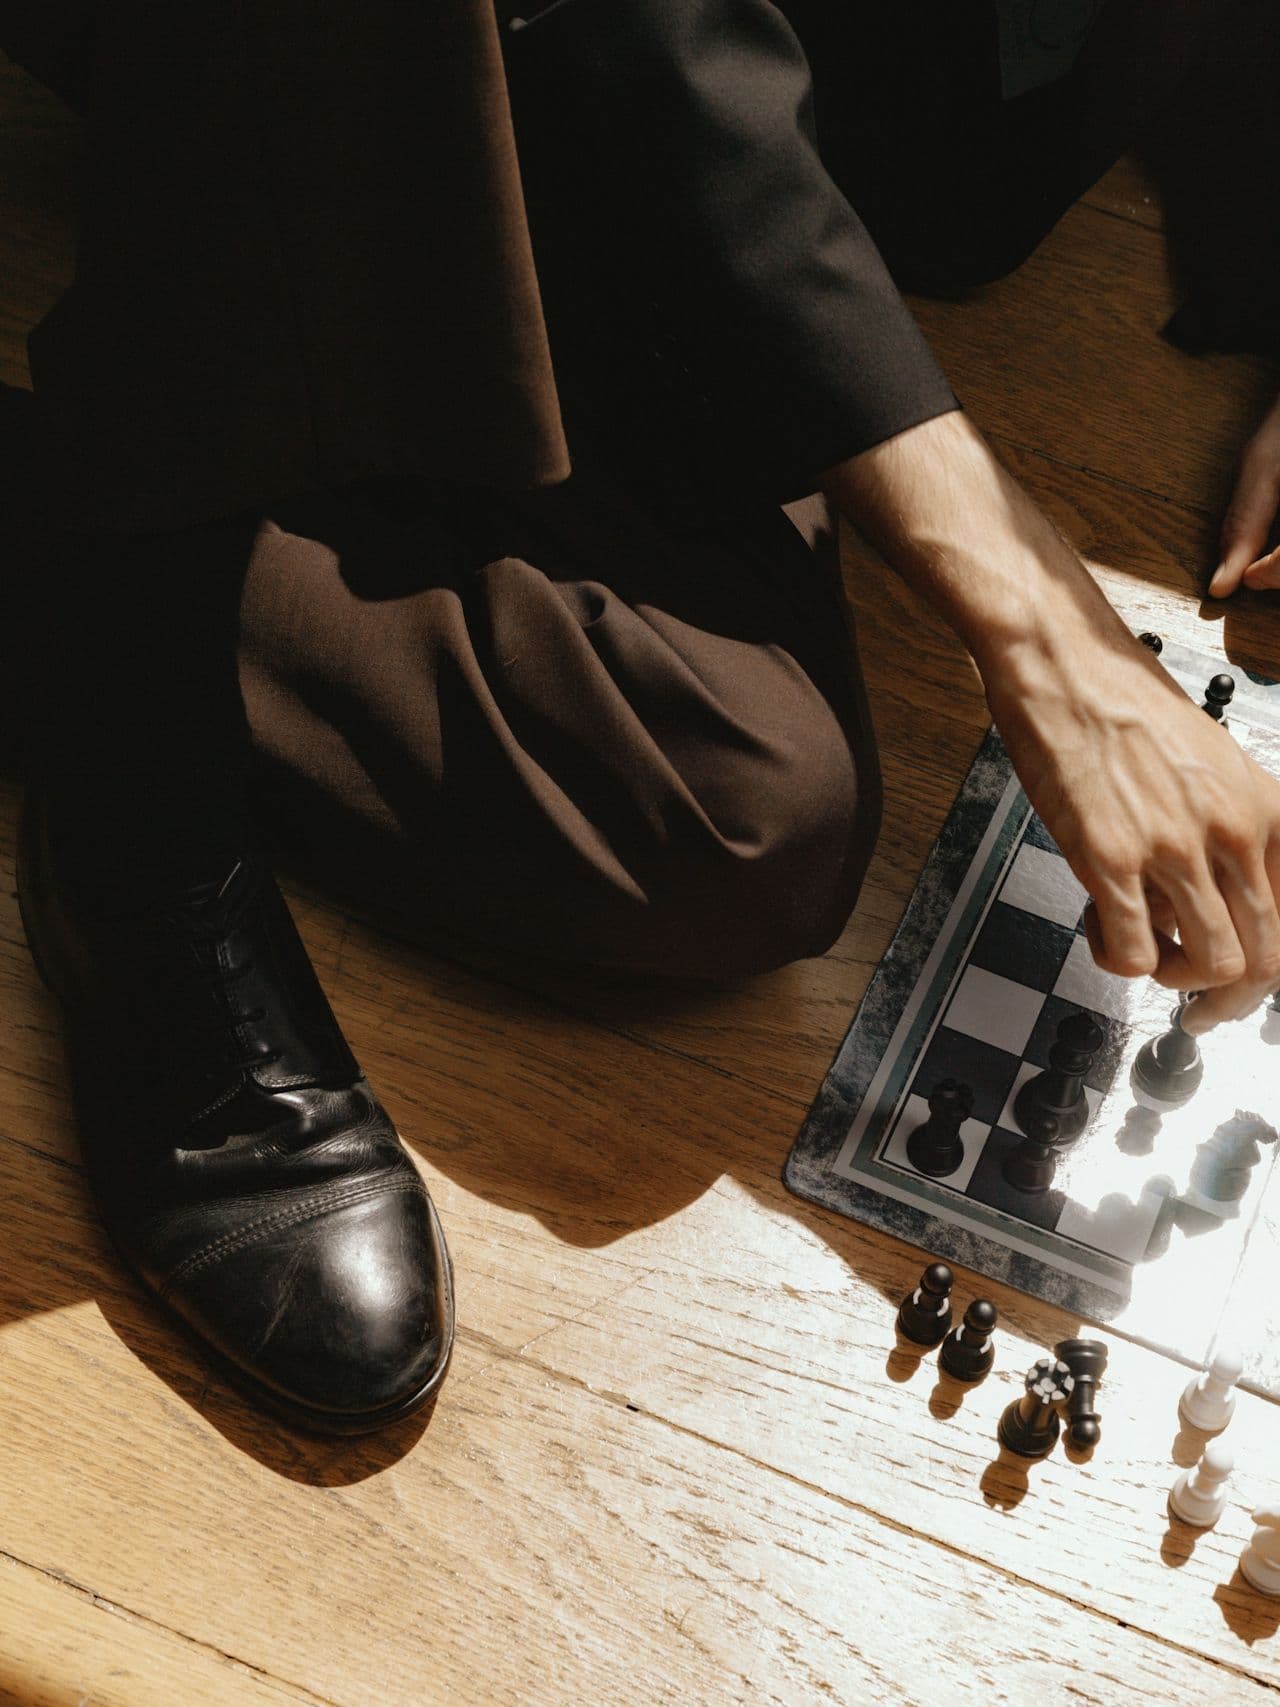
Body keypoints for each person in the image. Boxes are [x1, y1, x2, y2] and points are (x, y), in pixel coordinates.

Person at [1, 0, 1277, 1434]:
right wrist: (1047, 631)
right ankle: (135, 778)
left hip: (806, 119)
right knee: (732, 837)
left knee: (733, 802)